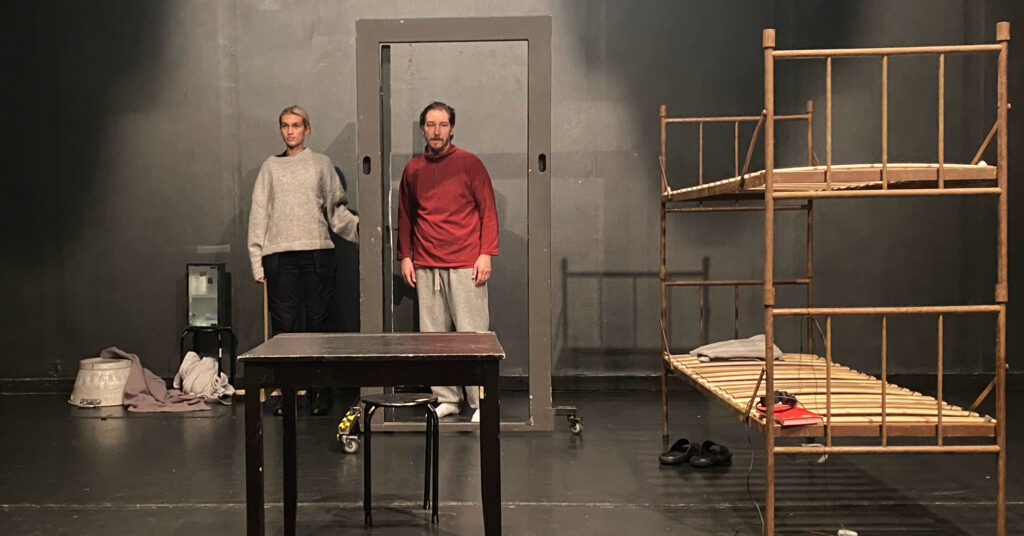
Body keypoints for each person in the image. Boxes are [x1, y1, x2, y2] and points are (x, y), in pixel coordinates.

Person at [248, 105, 359, 416]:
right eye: (285, 125)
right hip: (279, 256)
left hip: (316, 253)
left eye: (296, 125)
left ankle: (319, 392)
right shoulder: (270, 167)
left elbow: (336, 212)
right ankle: (287, 393)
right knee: (285, 330)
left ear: (307, 129)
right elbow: (259, 215)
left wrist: (364, 232)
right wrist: (256, 260)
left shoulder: (321, 164)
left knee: (318, 326)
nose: (290, 131)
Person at [397, 101, 499, 423]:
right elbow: (405, 216)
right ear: (422, 129)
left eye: (442, 125)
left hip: (466, 262)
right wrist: (405, 256)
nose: (437, 131)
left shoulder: (470, 164)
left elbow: (488, 210)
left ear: (452, 128)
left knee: (472, 336)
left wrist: (486, 253)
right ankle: (447, 398)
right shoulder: (413, 169)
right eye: (431, 125)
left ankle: (481, 401)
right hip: (427, 264)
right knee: (433, 337)